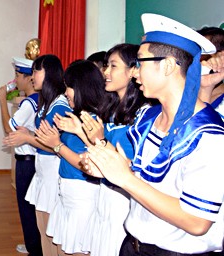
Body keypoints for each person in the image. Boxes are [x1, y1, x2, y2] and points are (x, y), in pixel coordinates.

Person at [84, 13, 224, 255]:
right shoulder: (149, 118)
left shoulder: (208, 134)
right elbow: (149, 183)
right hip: (134, 245)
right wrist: (111, 169)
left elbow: (197, 221)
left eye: (140, 63)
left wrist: (125, 178)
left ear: (168, 65)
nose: (135, 73)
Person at [80, 44, 148, 256]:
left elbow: (132, 166)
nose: (105, 73)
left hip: (124, 199)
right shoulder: (110, 108)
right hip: (105, 192)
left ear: (132, 71)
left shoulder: (143, 114)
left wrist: (99, 140)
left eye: (113, 66)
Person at [35, 60, 106, 256]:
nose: (66, 93)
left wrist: (57, 144)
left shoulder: (94, 120)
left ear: (82, 87)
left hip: (82, 197)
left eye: (69, 87)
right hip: (65, 193)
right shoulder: (76, 115)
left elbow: (88, 164)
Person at [3, 54, 69, 256]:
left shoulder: (59, 106)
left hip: (51, 173)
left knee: (51, 235)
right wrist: (29, 136)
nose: (32, 77)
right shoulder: (48, 103)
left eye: (36, 71)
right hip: (43, 172)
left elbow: (58, 147)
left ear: (48, 73)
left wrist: (28, 138)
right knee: (43, 231)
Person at [0, 57, 42, 256]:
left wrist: (1, 102)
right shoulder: (37, 100)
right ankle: (33, 244)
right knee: (31, 209)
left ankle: (34, 248)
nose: (14, 80)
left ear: (28, 78)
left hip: (28, 162)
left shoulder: (29, 104)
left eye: (17, 76)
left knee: (27, 209)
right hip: (33, 160)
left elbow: (9, 128)